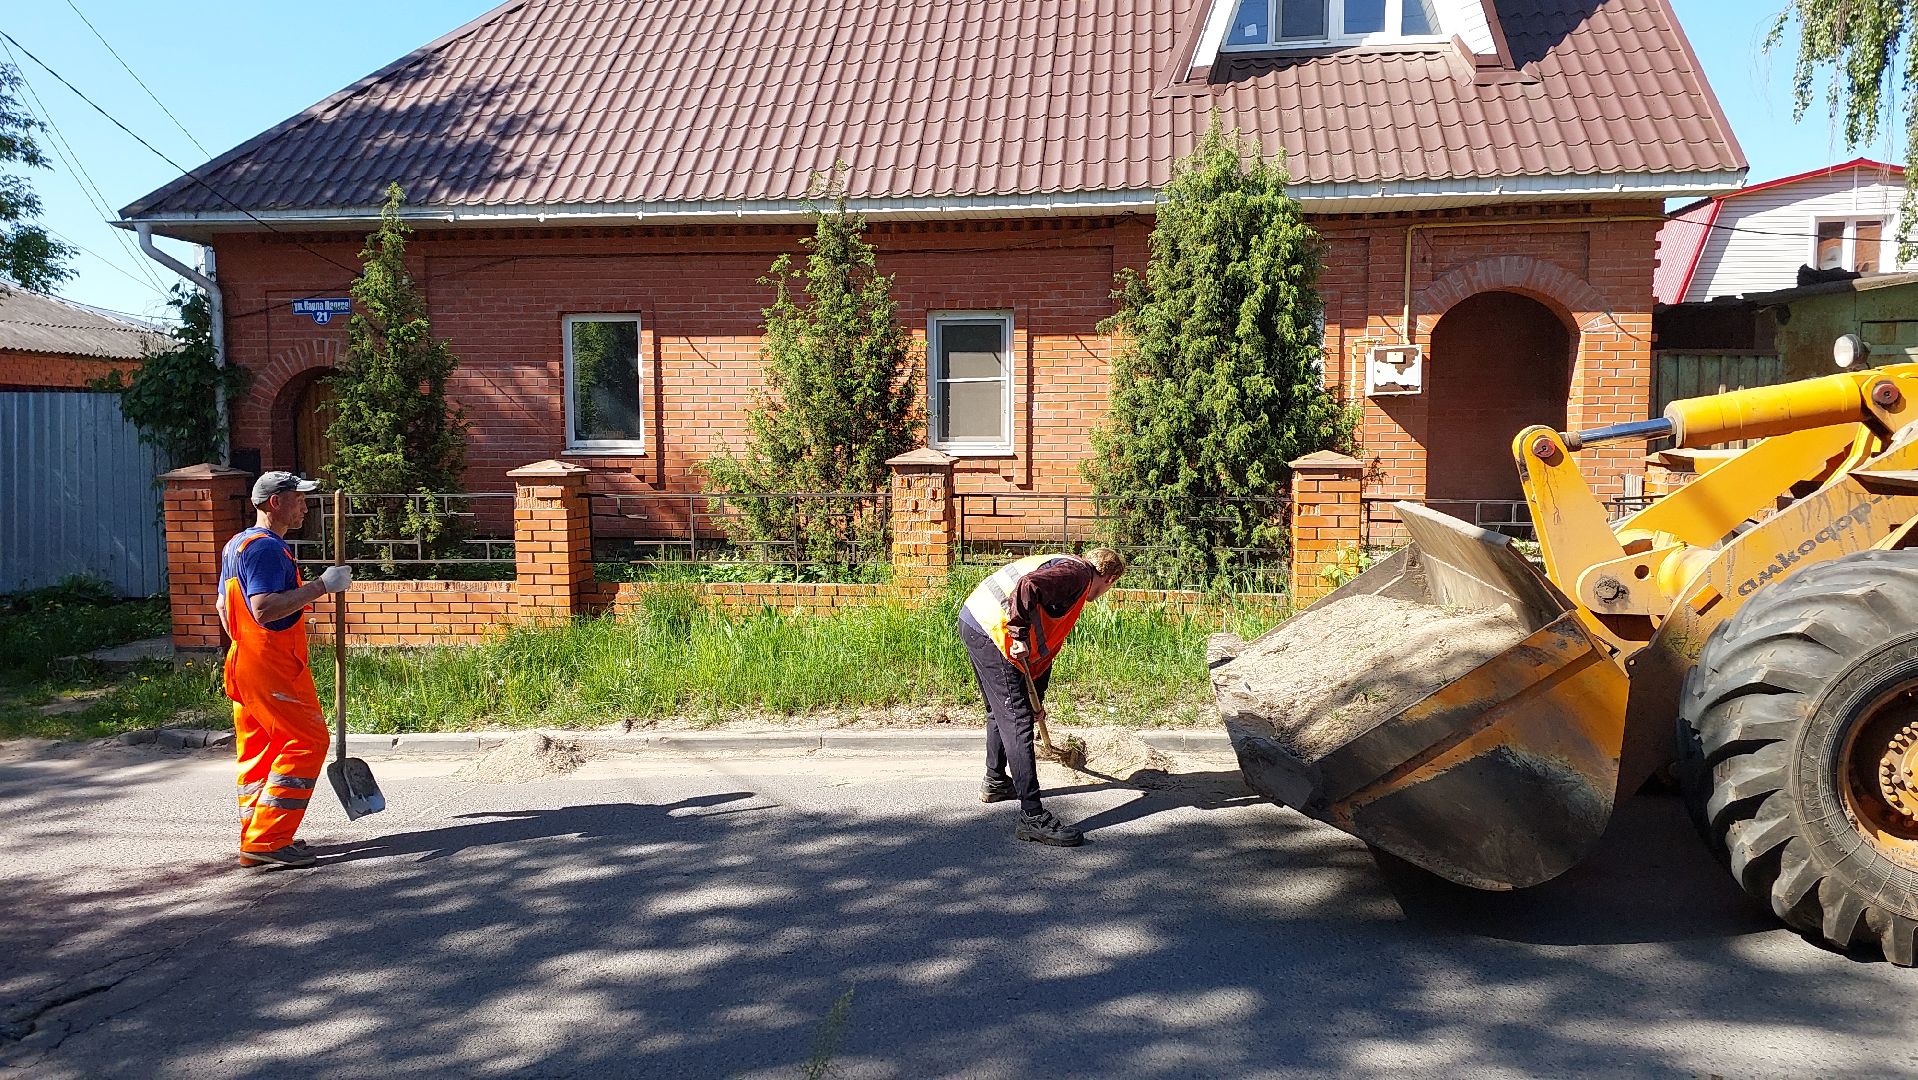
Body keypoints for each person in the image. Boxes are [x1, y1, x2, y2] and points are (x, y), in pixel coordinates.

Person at [217, 472, 352, 869]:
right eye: (298, 498)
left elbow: (225, 609)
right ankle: (270, 839)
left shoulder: (236, 544)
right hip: (272, 665)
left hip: (245, 662)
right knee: (307, 741)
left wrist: (251, 649)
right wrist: (322, 586)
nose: (305, 506)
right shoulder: (266, 550)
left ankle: (257, 835)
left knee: (261, 751)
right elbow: (265, 608)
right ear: (275, 502)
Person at [958, 546, 1126, 847]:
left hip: (975, 619)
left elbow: (1045, 640)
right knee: (1017, 720)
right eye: (1110, 586)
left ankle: (996, 782)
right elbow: (1027, 586)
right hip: (993, 629)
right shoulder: (1077, 575)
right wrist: (1019, 633)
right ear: (1110, 578)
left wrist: (1037, 695)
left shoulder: (1071, 574)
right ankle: (1033, 818)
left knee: (1003, 711)